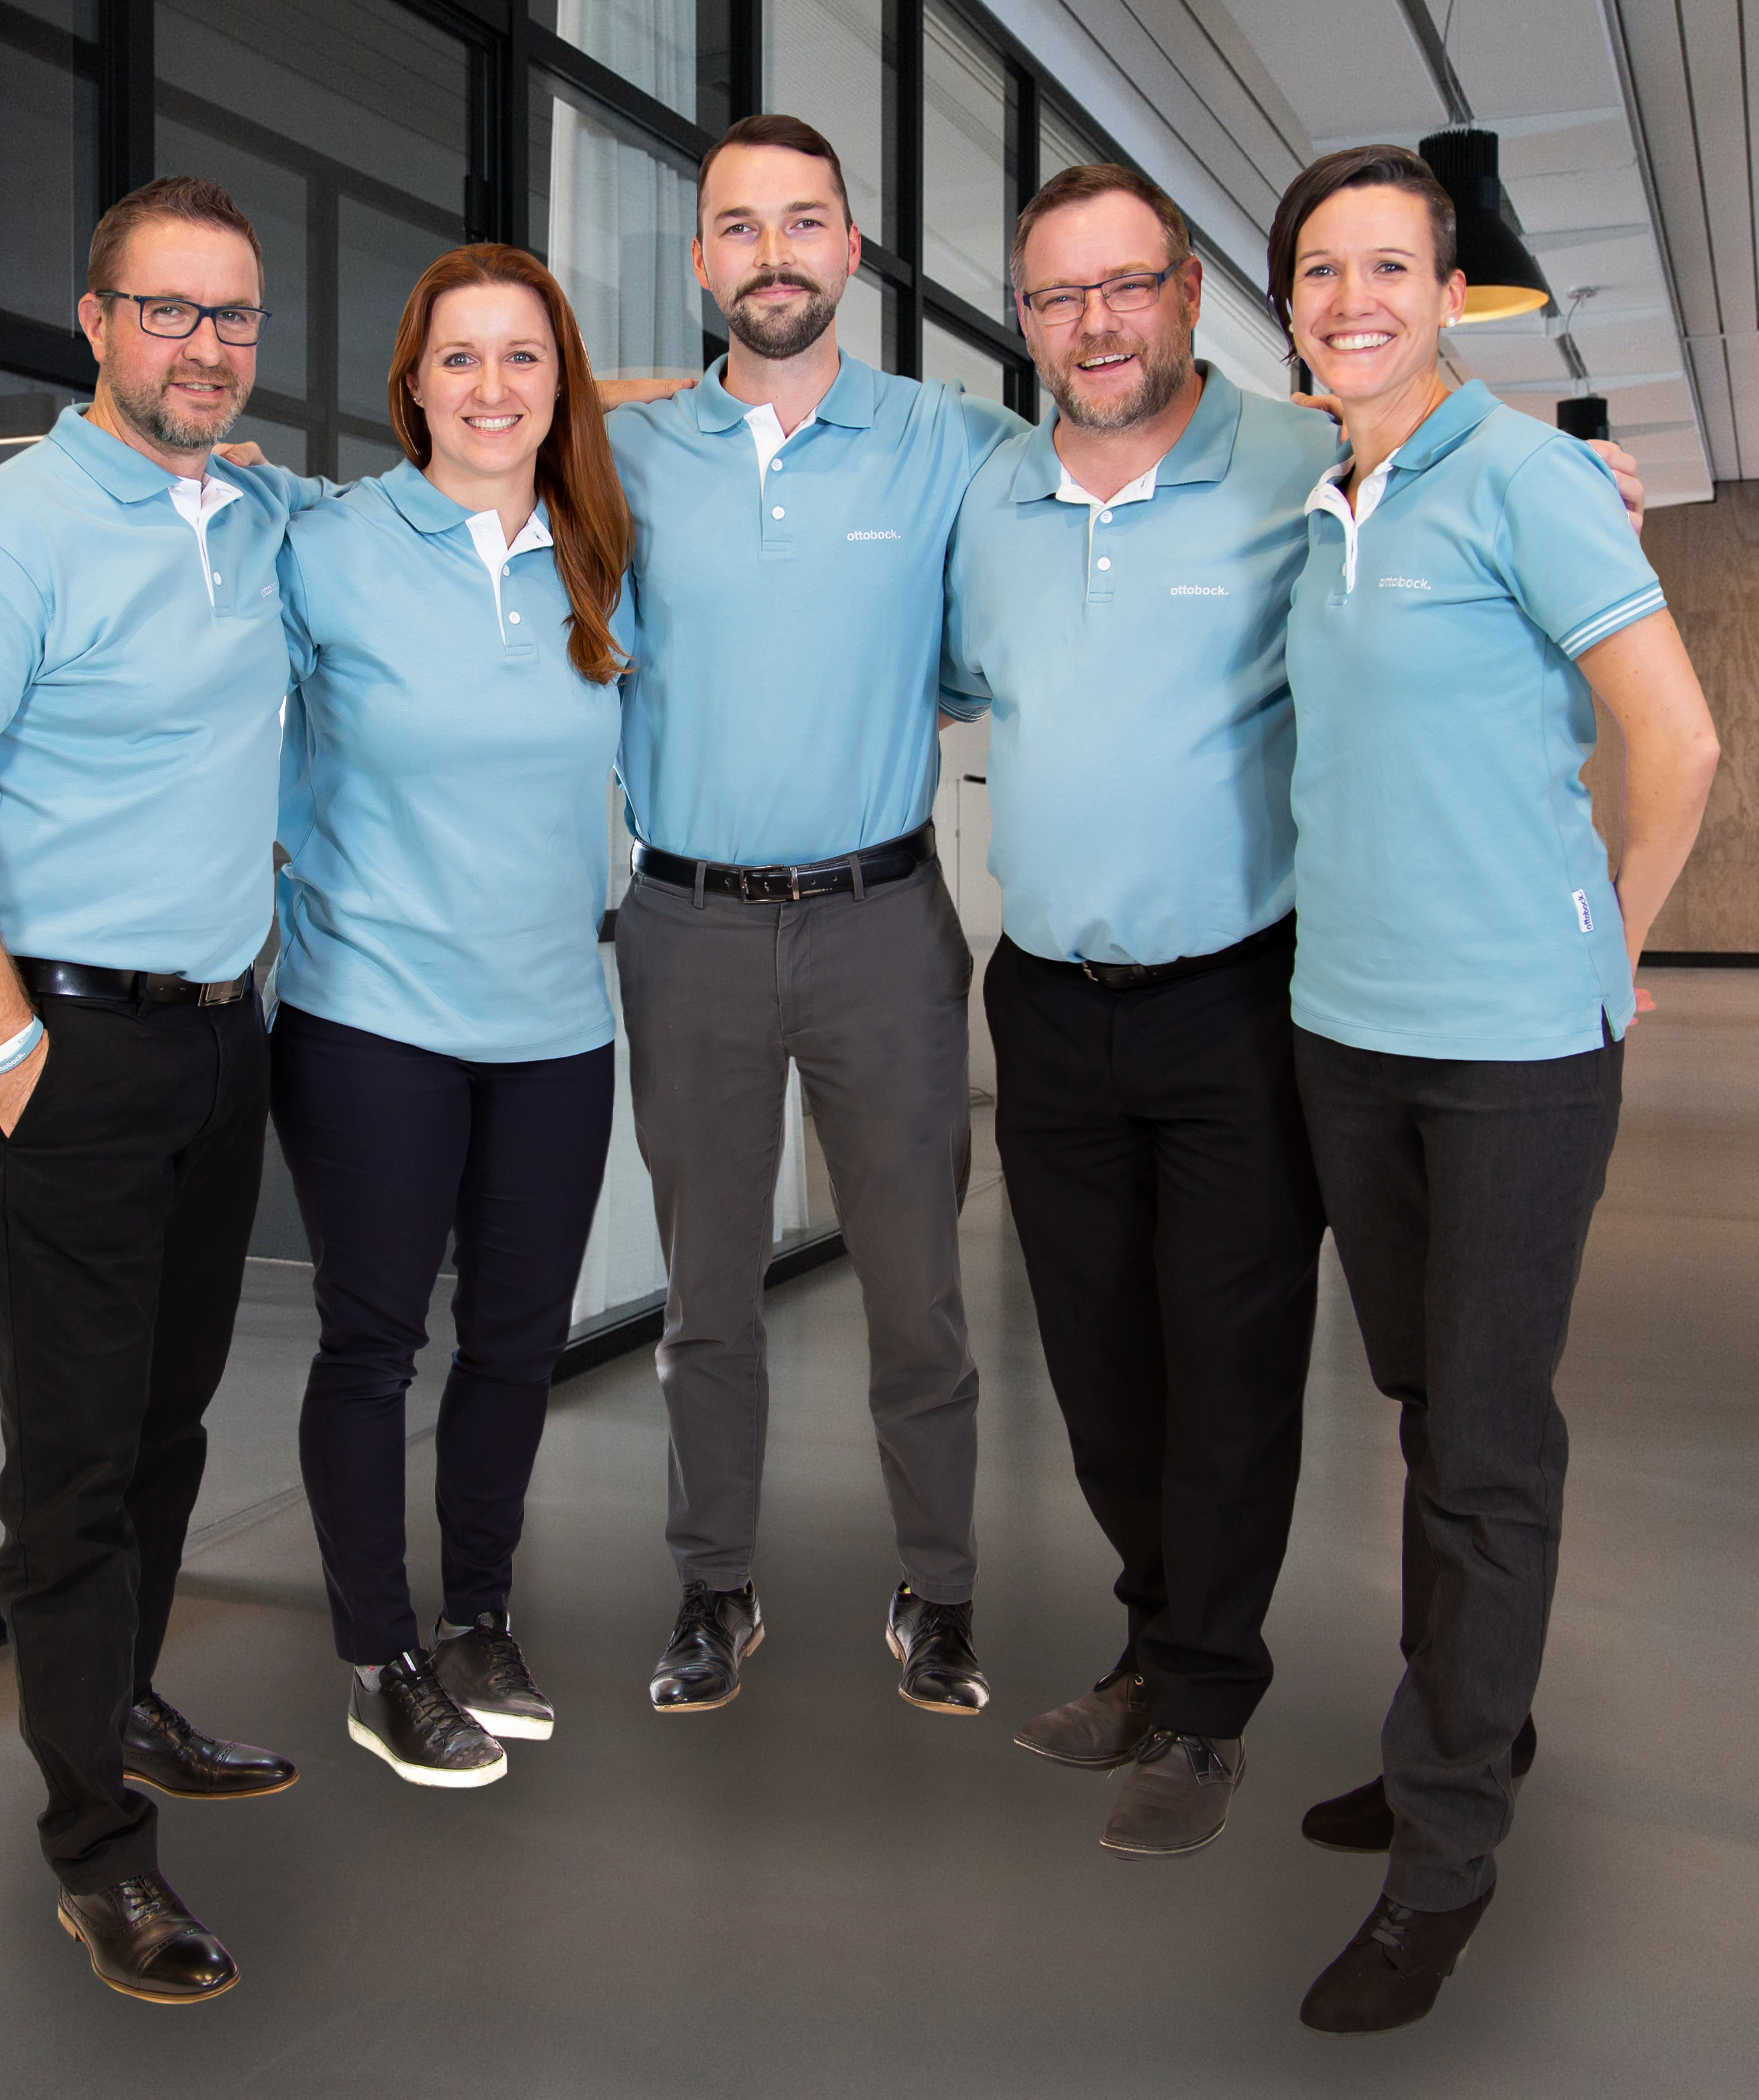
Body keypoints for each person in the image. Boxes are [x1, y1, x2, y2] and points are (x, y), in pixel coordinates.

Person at [1268, 146, 1719, 2034]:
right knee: (1421, 1398)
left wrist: (1609, 948)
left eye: (1388, 265)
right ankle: (1473, 1718)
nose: (1351, 296)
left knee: (1485, 1441)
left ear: (1449, 292)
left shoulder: (1526, 476)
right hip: (1346, 1029)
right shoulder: (1322, 497)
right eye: (1318, 268)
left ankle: (1444, 1854)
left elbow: (1677, 738)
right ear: (1288, 301)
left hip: (1515, 1050)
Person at [0, 175, 316, 2006]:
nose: (207, 347)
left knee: (169, 1420)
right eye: (171, 311)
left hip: (217, 1032)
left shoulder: (259, 510)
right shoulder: (4, 538)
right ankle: (93, 1852)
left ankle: (123, 1700)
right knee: (70, 1464)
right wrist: (8, 1054)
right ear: (96, 319)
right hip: (61, 1044)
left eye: (235, 318)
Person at [939, 164, 1339, 1859]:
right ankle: (1149, 1640)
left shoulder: (1303, 462)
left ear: (1186, 292)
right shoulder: (992, 497)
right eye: (1053, 297)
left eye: (1123, 287)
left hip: (1238, 999)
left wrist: (1572, 473)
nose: (1091, 324)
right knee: (1099, 1365)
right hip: (1045, 1001)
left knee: (1229, 1364)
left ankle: (1205, 1705)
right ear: (1023, 319)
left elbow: (1461, 485)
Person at [608, 114, 1027, 1718]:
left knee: (915, 1286)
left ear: (852, 251)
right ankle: (713, 1588)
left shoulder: (957, 443)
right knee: (704, 1291)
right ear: (703, 259)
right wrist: (606, 395)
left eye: (804, 222)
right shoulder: (631, 459)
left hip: (878, 922)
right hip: (686, 926)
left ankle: (941, 1592)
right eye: (736, 226)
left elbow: (1141, 466)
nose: (771, 252)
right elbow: (478, 429)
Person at [267, 245, 631, 1791]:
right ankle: (379, 1654)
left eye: (524, 358)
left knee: (513, 1341)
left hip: (554, 1017)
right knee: (371, 1343)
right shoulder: (325, 544)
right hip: (370, 1014)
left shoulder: (602, 557)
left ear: (561, 386)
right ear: (410, 382)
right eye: (461, 358)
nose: (493, 388)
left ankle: (476, 1613)